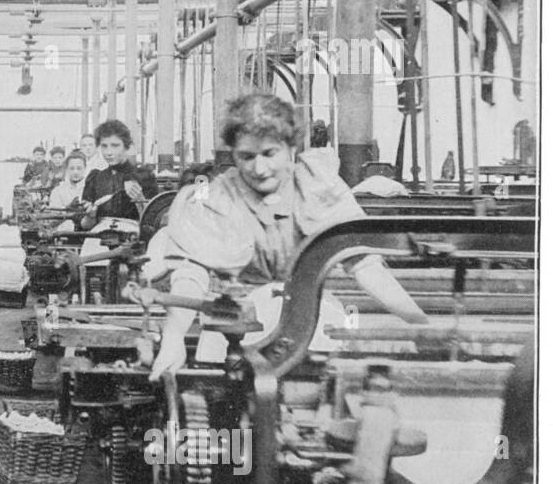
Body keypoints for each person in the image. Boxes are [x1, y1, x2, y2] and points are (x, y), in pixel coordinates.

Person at [148, 93, 428, 379]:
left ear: (290, 147)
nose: (259, 169)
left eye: (269, 154)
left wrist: (422, 325)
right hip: (234, 326)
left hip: (312, 322)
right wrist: (173, 338)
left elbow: (366, 267)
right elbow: (190, 276)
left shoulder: (315, 186)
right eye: (247, 156)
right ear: (233, 153)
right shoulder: (213, 199)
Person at [80, 120, 157, 228]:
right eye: (104, 146)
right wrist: (91, 216)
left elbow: (153, 223)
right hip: (99, 236)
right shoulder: (95, 178)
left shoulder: (144, 177)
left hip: (132, 237)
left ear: (126, 146)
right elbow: (85, 226)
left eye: (115, 146)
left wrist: (139, 199)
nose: (108, 152)